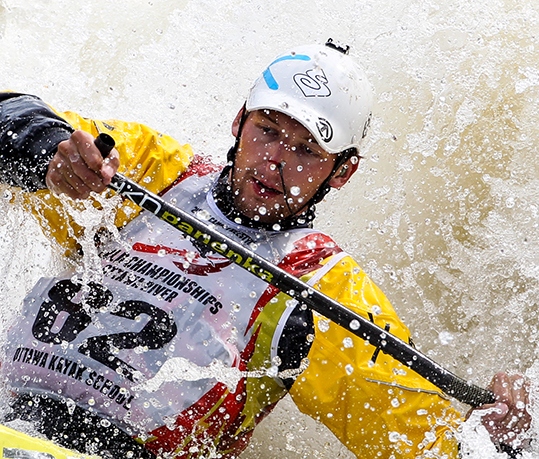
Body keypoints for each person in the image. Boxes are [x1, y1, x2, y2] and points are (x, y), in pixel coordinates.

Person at [0, 40, 530, 459]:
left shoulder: (325, 290)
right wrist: (50, 155)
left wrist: (499, 437)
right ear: (239, 122)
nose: (276, 161)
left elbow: (431, 444)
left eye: (306, 150)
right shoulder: (151, 170)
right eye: (268, 131)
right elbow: (11, 111)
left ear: (341, 172)